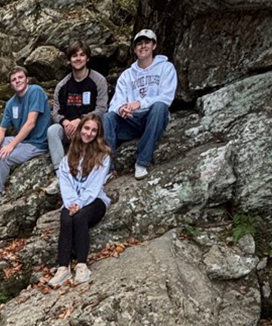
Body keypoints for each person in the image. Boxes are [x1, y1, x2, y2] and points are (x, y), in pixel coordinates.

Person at [103, 29, 177, 180]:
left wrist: (140, 103)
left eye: (147, 42)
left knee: (159, 106)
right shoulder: (127, 75)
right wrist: (121, 109)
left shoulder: (166, 67)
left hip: (152, 118)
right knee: (108, 117)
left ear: (154, 45)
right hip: (131, 121)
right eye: (139, 44)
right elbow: (116, 102)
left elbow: (166, 97)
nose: (143, 46)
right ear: (135, 49)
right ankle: (106, 168)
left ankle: (142, 161)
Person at [49, 114, 110, 288]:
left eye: (93, 130)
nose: (88, 133)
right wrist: (71, 203)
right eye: (86, 128)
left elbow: (94, 186)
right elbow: (65, 184)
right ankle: (63, 267)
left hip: (94, 200)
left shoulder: (103, 156)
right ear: (80, 129)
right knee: (66, 218)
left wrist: (80, 203)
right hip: (72, 200)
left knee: (80, 217)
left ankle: (82, 265)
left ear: (98, 134)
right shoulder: (68, 157)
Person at [0, 67, 50, 208]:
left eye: (20, 77)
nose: (17, 81)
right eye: (14, 79)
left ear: (27, 79)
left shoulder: (35, 91)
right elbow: (2, 129)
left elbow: (31, 123)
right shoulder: (11, 103)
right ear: (11, 85)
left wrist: (11, 145)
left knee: (5, 155)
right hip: (22, 141)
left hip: (37, 144)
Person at [47, 41, 109, 173]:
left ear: (88, 58)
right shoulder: (62, 85)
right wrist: (65, 122)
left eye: (82, 55)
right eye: (74, 56)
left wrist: (81, 121)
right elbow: (55, 113)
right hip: (69, 130)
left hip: (90, 128)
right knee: (53, 130)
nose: (78, 59)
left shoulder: (98, 81)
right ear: (69, 59)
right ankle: (60, 172)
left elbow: (102, 109)